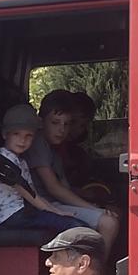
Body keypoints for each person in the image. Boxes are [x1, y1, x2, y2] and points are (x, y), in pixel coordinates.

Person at [28, 91, 120, 250]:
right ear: (41, 121)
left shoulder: (54, 148)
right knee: (109, 223)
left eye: (67, 124)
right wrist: (93, 209)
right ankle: (94, 271)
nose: (61, 130)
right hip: (45, 206)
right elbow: (54, 188)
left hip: (55, 203)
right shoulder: (39, 144)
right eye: (55, 123)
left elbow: (65, 188)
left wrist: (92, 201)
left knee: (113, 212)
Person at [0, 105, 93, 241]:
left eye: (28, 136)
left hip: (20, 212)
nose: (22, 140)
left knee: (71, 224)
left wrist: (56, 212)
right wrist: (55, 212)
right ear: (4, 134)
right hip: (9, 216)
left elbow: (33, 193)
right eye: (16, 134)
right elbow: (29, 194)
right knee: (74, 227)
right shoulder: (4, 159)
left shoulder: (20, 161)